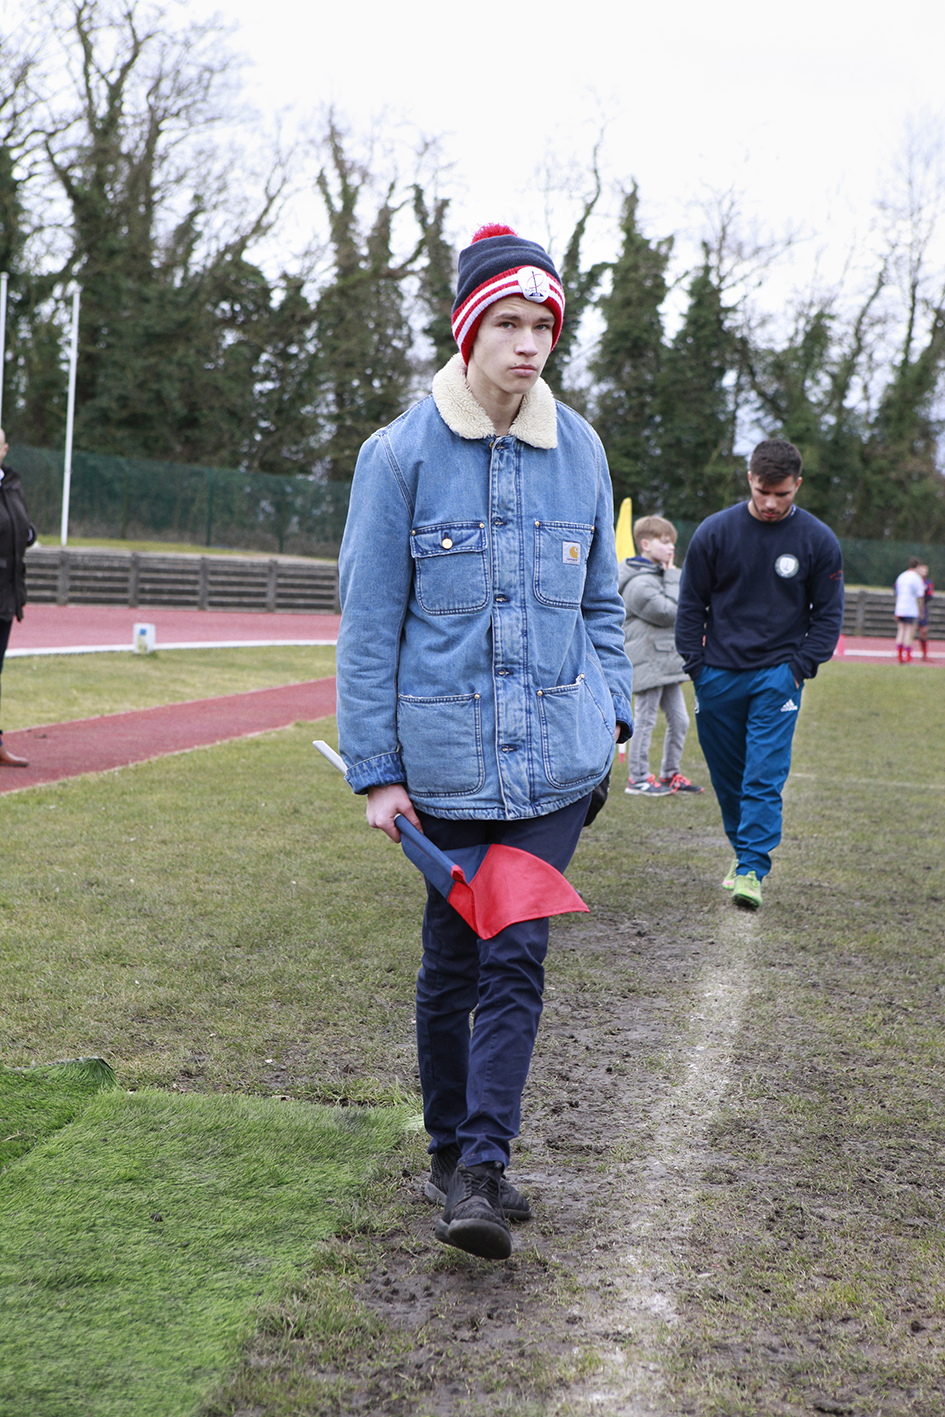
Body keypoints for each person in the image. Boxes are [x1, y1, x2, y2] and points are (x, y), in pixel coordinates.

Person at [335, 224, 633, 1260]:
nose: (528, 343)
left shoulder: (582, 449)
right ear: (468, 332)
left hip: (556, 763)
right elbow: (369, 627)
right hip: (446, 767)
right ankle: (446, 1150)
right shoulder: (398, 455)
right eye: (508, 322)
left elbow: (601, 603)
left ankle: (484, 1164)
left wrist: (620, 715)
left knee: (518, 948)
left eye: (543, 323)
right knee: (451, 962)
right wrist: (377, 775)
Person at [675, 438, 843, 910]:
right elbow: (691, 605)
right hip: (718, 676)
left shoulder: (817, 541)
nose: (771, 503)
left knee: (763, 776)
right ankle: (742, 850)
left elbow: (828, 615)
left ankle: (751, 867)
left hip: (778, 677)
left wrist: (799, 667)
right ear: (750, 478)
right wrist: (696, 666)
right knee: (729, 777)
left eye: (783, 494)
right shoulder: (714, 533)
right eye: (764, 491)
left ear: (798, 486)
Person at [619, 514, 702, 797]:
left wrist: (669, 576)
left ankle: (669, 774)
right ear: (645, 544)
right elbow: (672, 611)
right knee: (645, 721)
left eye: (672, 543)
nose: (670, 549)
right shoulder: (639, 584)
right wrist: (673, 575)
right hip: (647, 661)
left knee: (680, 721)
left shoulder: (659, 577)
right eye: (664, 542)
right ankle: (638, 779)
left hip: (666, 661)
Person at [0, 428, 35, 767]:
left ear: (5, 449)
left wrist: (28, 532)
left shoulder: (12, 485)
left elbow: (24, 527)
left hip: (7, 596)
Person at [894, 557, 926, 664]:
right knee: (909, 633)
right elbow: (920, 596)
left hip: (900, 608)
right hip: (911, 609)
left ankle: (899, 657)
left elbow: (897, 594)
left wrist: (896, 610)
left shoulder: (901, 576)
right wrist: (921, 611)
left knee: (901, 632)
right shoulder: (917, 578)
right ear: (917, 566)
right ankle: (908, 658)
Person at [916, 563, 934, 661]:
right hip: (912, 607)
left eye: (926, 571)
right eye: (923, 570)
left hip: (923, 607)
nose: (925, 573)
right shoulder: (913, 580)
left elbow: (930, 595)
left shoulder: (927, 582)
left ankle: (924, 654)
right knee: (909, 631)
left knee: (924, 631)